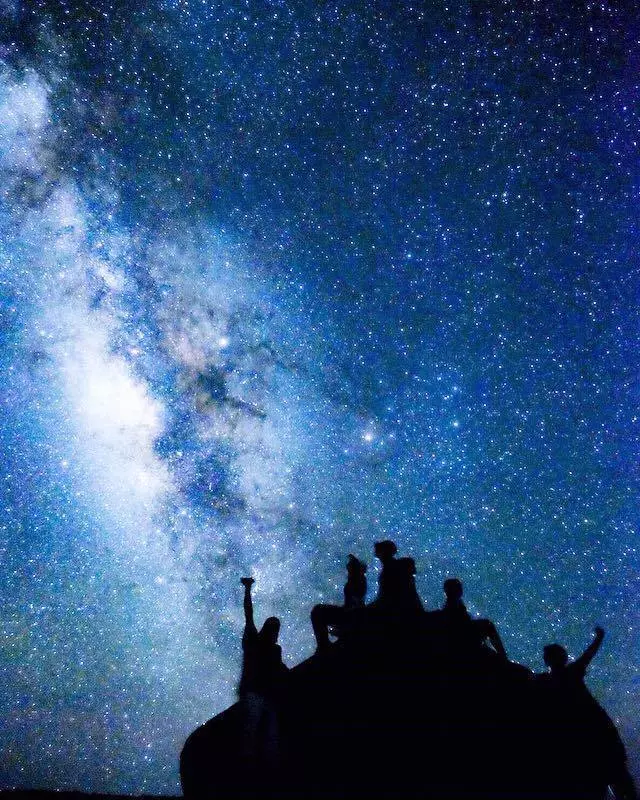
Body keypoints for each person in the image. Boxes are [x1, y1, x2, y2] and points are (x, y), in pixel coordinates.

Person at [537, 627, 636, 800]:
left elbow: (588, 655)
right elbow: (588, 655)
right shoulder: (568, 673)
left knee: (604, 778)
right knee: (615, 776)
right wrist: (599, 638)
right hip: (595, 730)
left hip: (586, 734)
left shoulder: (547, 681)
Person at [238, 577, 288, 762]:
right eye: (274, 630)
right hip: (254, 693)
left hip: (267, 695)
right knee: (252, 732)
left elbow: (281, 671)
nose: (276, 634)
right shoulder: (254, 641)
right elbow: (248, 613)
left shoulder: (275, 650)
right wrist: (247, 589)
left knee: (270, 736)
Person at [439, 578, 507, 660]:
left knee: (487, 625)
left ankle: (501, 655)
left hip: (463, 633)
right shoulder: (452, 605)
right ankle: (503, 656)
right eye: (458, 587)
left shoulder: (453, 604)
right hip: (463, 635)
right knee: (488, 625)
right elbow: (460, 623)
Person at [311, 554, 367, 650]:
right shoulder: (357, 580)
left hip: (351, 614)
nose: (347, 571)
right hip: (350, 613)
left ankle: (323, 645)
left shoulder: (357, 581)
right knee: (318, 611)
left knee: (317, 612)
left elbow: (355, 603)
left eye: (349, 568)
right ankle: (324, 644)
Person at [373, 540, 423, 613]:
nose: (377, 556)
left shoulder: (389, 571)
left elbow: (386, 597)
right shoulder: (399, 568)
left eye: (378, 553)